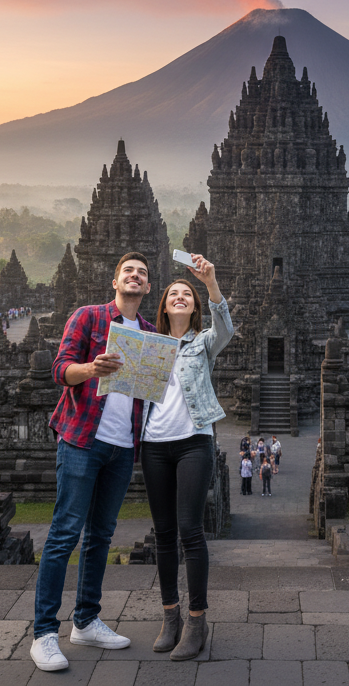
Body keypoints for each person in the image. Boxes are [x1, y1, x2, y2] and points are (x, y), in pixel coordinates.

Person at [30, 252, 155, 673]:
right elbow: (60, 369)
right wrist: (91, 368)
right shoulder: (88, 318)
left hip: (122, 446)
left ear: (148, 287)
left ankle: (85, 620)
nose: (134, 277)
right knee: (64, 533)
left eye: (142, 273)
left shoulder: (152, 333)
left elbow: (154, 386)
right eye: (128, 272)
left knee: (101, 534)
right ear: (115, 281)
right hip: (83, 439)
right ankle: (44, 633)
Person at [142, 254, 232, 661]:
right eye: (173, 294)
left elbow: (225, 327)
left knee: (189, 531)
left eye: (187, 294)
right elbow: (128, 391)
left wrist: (209, 282)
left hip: (194, 441)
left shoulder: (203, 343)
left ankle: (197, 619)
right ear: (163, 306)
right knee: (163, 534)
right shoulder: (148, 346)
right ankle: (170, 616)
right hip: (154, 444)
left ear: (195, 307)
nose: (180, 297)